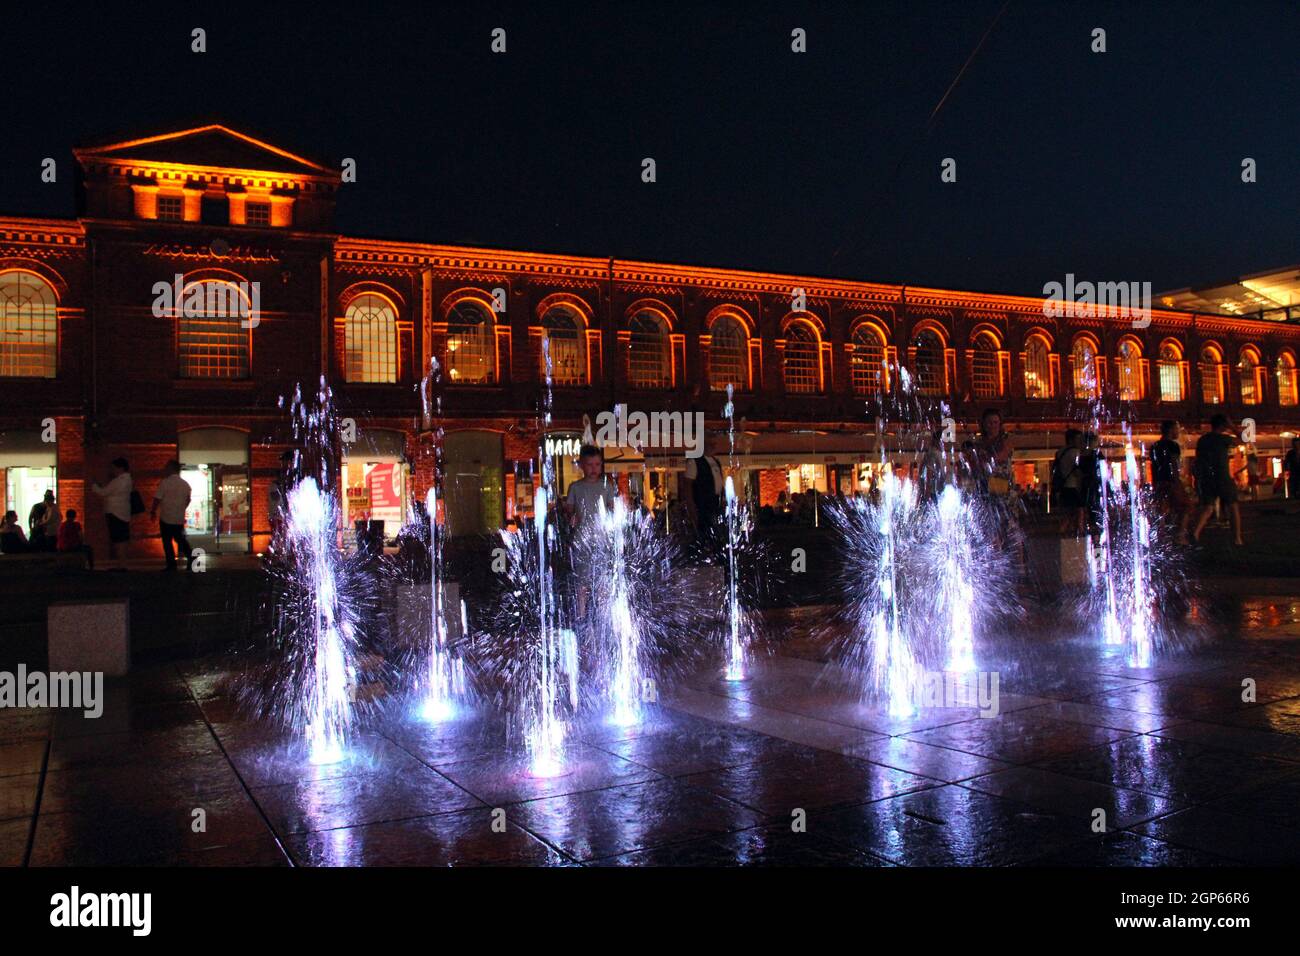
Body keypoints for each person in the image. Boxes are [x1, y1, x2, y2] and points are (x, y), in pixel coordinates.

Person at [563, 444, 617, 620]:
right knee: (582, 581)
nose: (594, 469)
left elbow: (612, 507)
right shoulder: (576, 487)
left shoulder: (607, 485)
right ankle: (581, 614)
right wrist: (571, 516)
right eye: (590, 464)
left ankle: (602, 615)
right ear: (581, 465)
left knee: (602, 580)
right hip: (582, 539)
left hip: (602, 539)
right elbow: (569, 508)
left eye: (597, 464)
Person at [1192, 414, 1243, 547]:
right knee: (1233, 506)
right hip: (1222, 476)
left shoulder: (1203, 440)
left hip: (1208, 477)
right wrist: (1233, 427)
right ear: (1223, 425)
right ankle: (1237, 538)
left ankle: (1196, 532)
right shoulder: (1223, 439)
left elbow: (1198, 459)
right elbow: (1243, 440)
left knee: (1208, 507)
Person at [1150, 420, 1191, 543]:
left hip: (1159, 481)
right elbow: (1174, 464)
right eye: (1176, 429)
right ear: (1170, 430)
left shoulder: (1154, 446)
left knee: (1162, 509)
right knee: (1186, 507)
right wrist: (1177, 481)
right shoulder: (1173, 446)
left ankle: (1160, 536)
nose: (1178, 431)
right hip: (1171, 481)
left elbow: (1154, 466)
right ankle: (1180, 536)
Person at [151, 459, 194, 571]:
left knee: (167, 541)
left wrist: (153, 511)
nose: (165, 469)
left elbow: (157, 498)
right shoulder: (185, 484)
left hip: (166, 516)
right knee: (180, 539)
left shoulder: (165, 483)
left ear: (171, 469)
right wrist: (181, 508)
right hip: (178, 517)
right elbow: (188, 500)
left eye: (167, 467)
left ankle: (171, 564)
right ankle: (191, 556)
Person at [92, 457, 134, 569]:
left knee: (118, 540)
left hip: (115, 512)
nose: (112, 470)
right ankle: (122, 564)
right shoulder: (127, 480)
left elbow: (103, 492)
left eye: (113, 467)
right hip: (123, 512)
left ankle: (121, 565)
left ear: (120, 468)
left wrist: (94, 486)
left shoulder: (119, 481)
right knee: (122, 539)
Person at [1053, 428, 1086, 534]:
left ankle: (1062, 534)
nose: (1080, 441)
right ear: (1072, 439)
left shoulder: (1060, 452)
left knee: (1066, 513)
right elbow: (1078, 471)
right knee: (1079, 509)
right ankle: (1080, 531)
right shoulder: (1076, 452)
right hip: (1073, 485)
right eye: (1078, 439)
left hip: (1063, 486)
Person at [1285, 437, 1300, 502]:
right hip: (1294, 471)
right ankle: (1295, 495)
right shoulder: (1290, 453)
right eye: (1295, 443)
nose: (1297, 445)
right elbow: (1287, 462)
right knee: (1295, 484)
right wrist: (1287, 469)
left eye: (1298, 443)